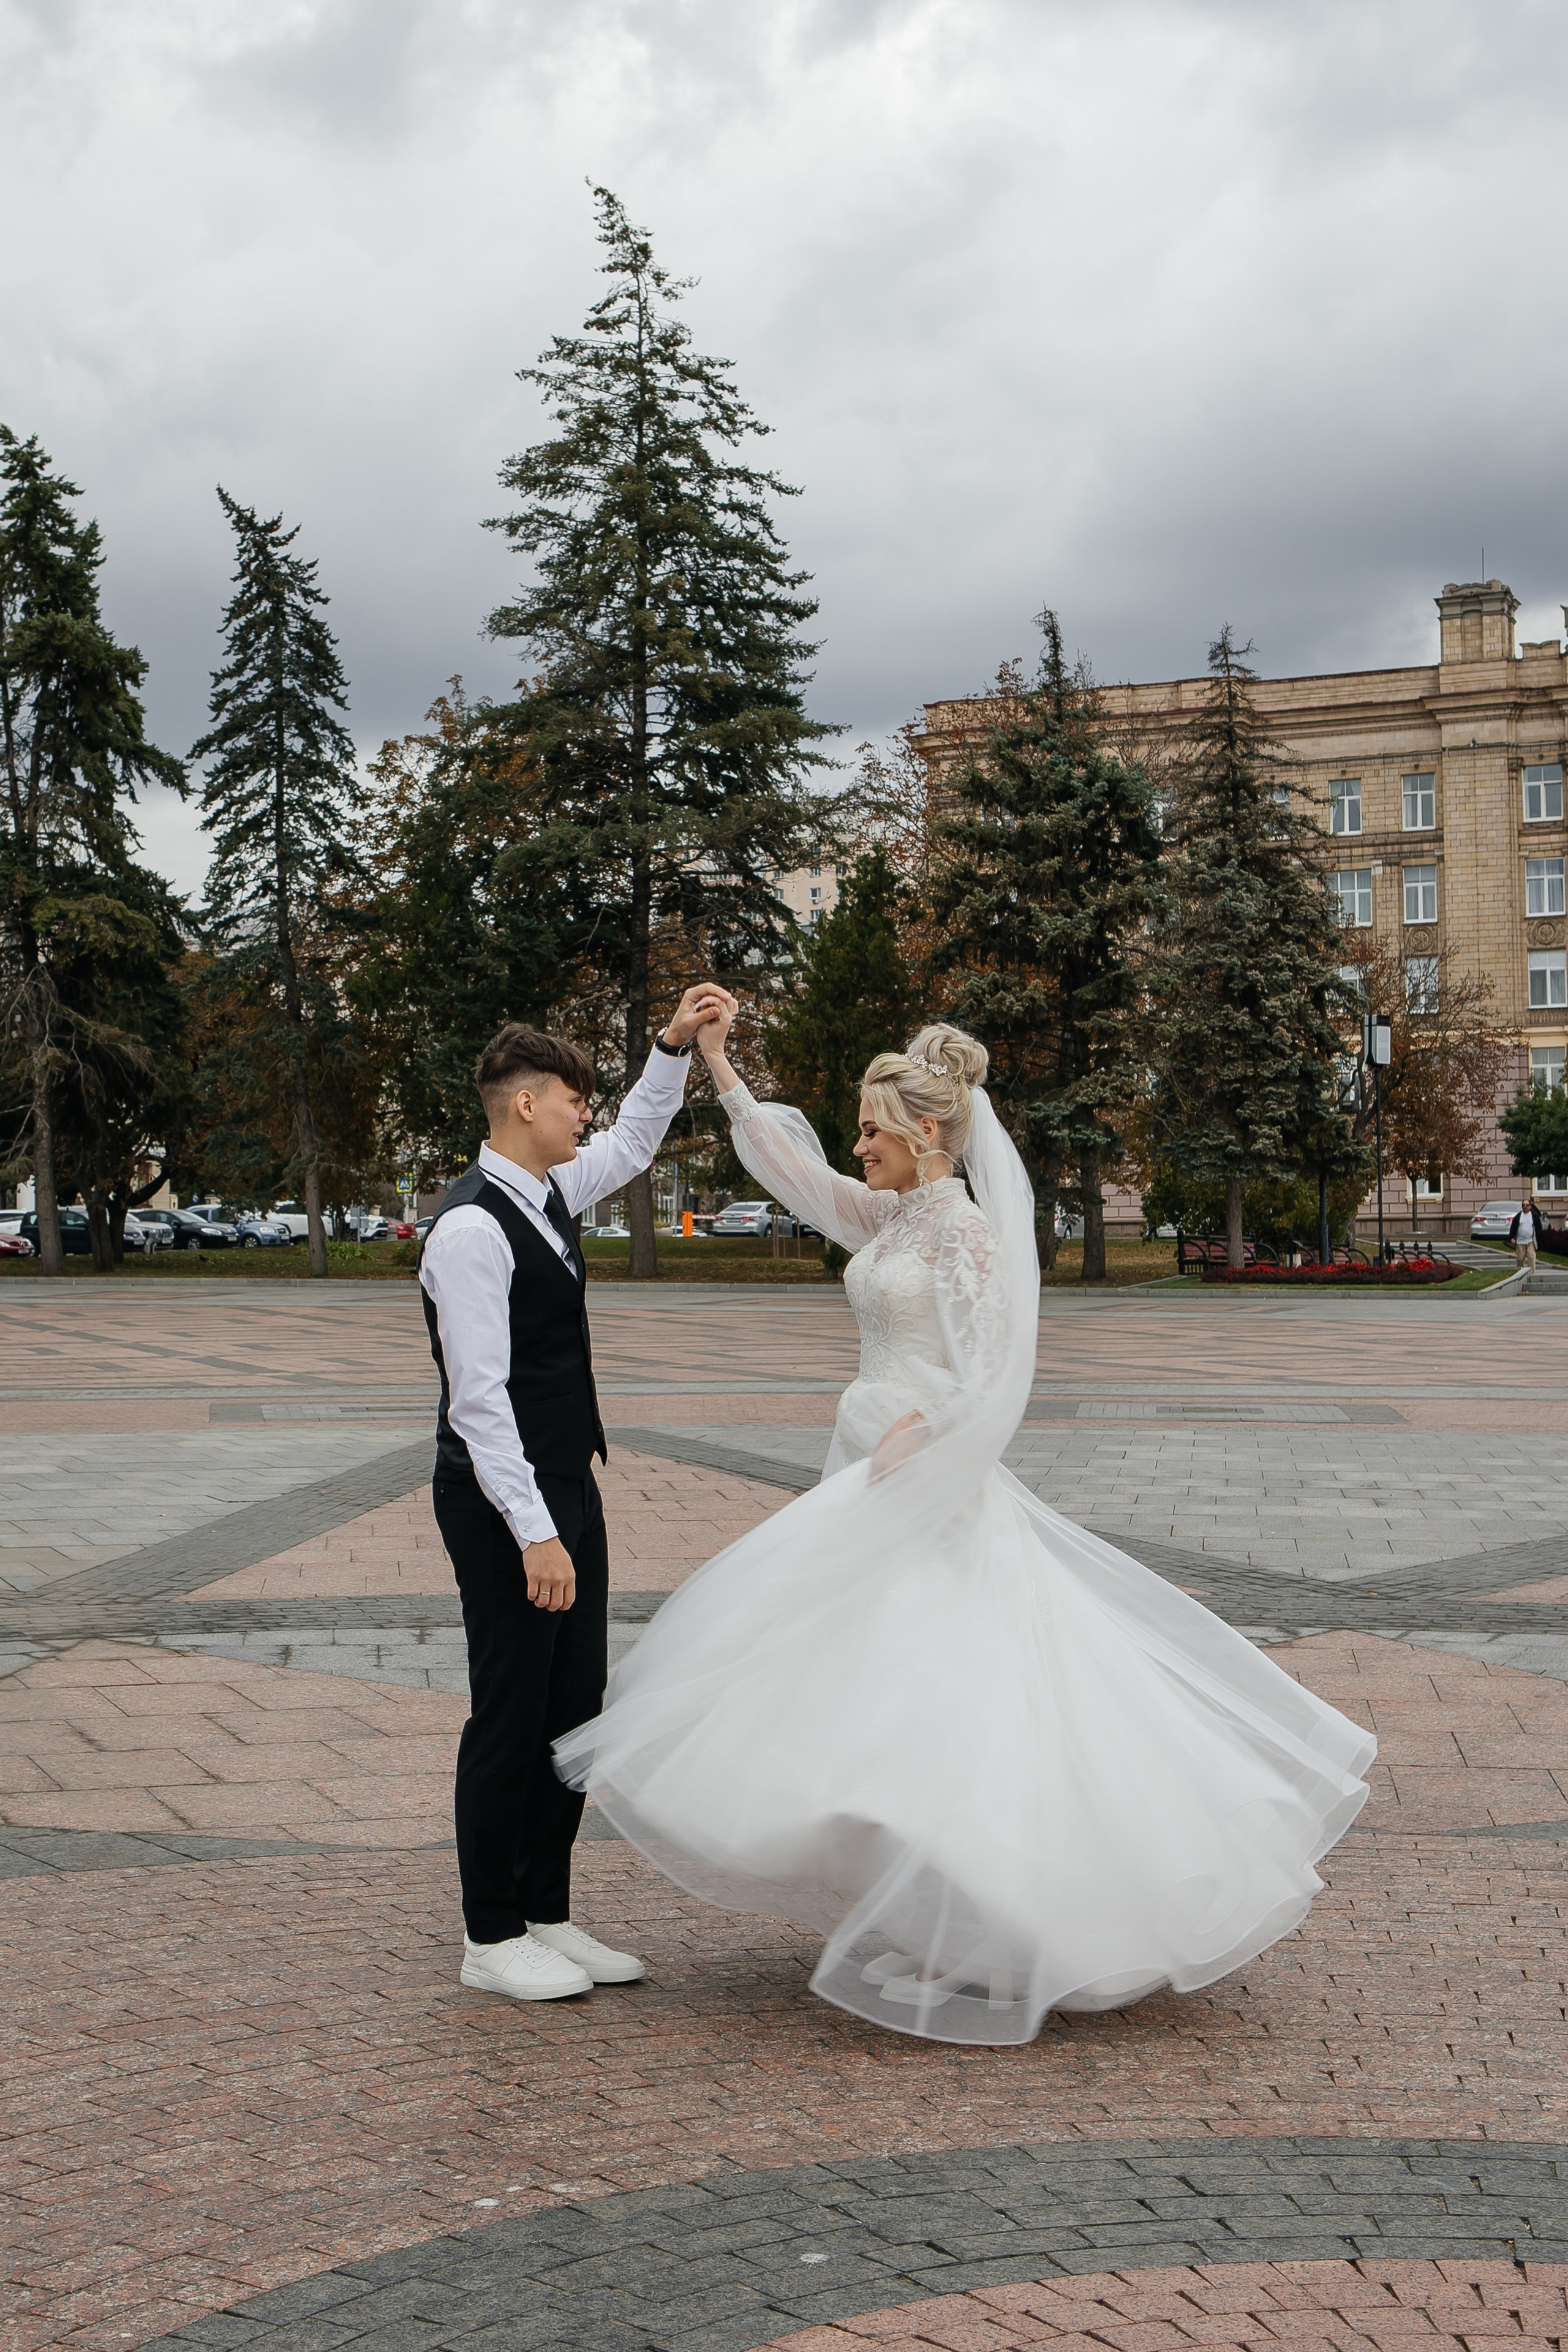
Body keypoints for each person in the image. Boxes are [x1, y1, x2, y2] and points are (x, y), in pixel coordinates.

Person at [556, 1015, 1375, 2046]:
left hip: (928, 1487)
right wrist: (717, 1064)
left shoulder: (965, 1231)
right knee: (871, 1695)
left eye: (869, 1131)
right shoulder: (892, 1219)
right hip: (870, 1476)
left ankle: (986, 1926)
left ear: (927, 1130)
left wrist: (927, 1435)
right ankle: (919, 1913)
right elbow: (788, 1167)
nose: (855, 1148)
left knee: (952, 1698)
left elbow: (996, 1375)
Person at [421, 987, 734, 2004]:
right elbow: (479, 1403)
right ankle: (489, 1932)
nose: (583, 1119)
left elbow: (638, 1139)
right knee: (509, 1712)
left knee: (572, 1708)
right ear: (524, 1106)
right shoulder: (470, 1229)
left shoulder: (545, 1195)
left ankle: (545, 1913)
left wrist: (673, 1045)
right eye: (570, 1103)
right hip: (503, 1497)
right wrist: (535, 1533)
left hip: (564, 1483)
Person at [1510, 1194, 1545, 1272]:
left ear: (1530, 1207)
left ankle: (1532, 1273)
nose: (1525, 1207)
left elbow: (1539, 1228)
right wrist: (1512, 1238)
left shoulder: (1534, 1217)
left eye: (1527, 1205)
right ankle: (1520, 1272)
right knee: (1520, 1259)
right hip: (1520, 1241)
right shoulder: (1518, 1217)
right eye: (1523, 1205)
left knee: (1531, 1257)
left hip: (1530, 1241)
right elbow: (1513, 1228)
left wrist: (1539, 1238)